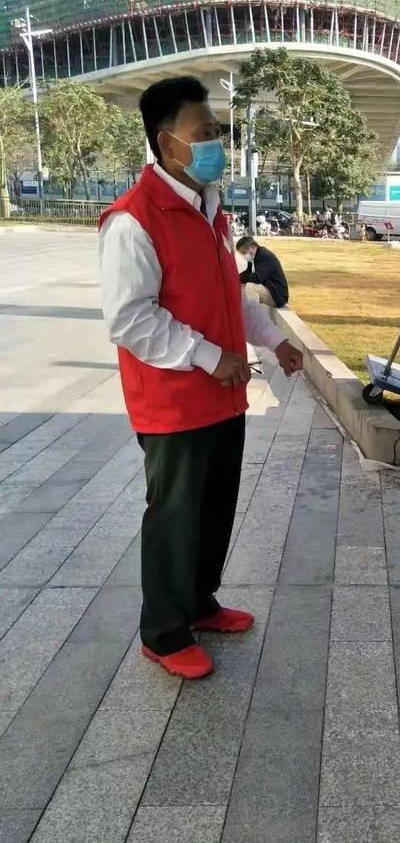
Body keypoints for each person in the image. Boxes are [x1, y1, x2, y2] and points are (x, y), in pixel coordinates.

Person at [98, 76, 303, 681]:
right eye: (205, 133)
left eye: (218, 132)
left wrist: (273, 340)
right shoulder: (133, 220)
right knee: (174, 515)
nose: (217, 144)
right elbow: (130, 319)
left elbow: (229, 296)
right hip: (174, 403)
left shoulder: (210, 209)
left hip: (223, 397)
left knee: (214, 507)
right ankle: (164, 632)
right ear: (168, 143)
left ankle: (199, 603)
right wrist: (210, 356)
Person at [236, 235, 290, 308]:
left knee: (250, 287)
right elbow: (247, 272)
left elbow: (257, 278)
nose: (244, 256)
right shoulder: (254, 256)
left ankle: (252, 312)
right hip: (269, 289)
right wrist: (236, 278)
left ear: (253, 247)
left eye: (244, 253)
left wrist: (240, 279)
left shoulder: (264, 256)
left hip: (277, 295)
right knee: (242, 285)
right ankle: (243, 309)